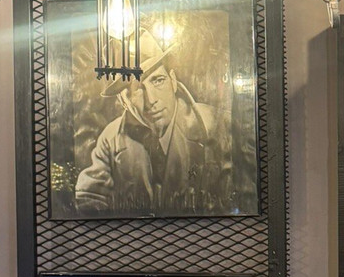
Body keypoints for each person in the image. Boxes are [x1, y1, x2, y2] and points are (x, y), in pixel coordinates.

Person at [74, 29, 232, 215]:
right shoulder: (111, 138)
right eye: (137, 89)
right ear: (124, 101)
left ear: (173, 81)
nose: (151, 100)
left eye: (157, 81)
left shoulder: (217, 124)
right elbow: (88, 198)